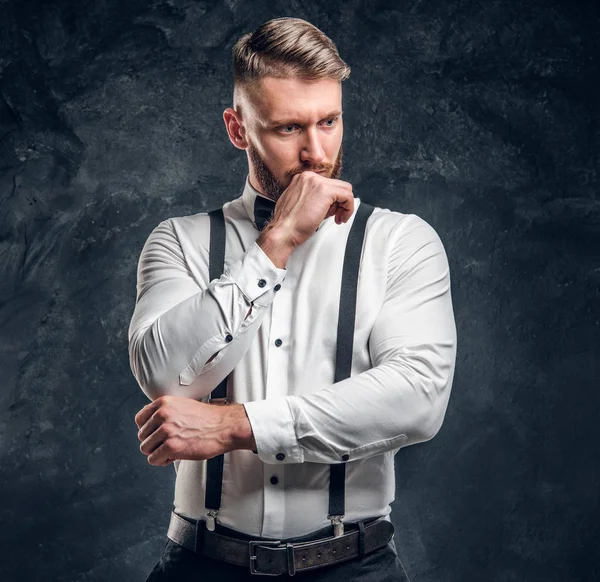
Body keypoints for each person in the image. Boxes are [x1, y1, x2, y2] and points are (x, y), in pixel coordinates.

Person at [128, 16, 456, 582]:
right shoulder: (177, 240)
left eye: (329, 121)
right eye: (287, 129)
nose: (316, 152)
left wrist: (238, 426)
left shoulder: (403, 241)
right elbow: (165, 378)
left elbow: (417, 397)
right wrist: (274, 243)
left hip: (357, 567)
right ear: (238, 129)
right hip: (201, 565)